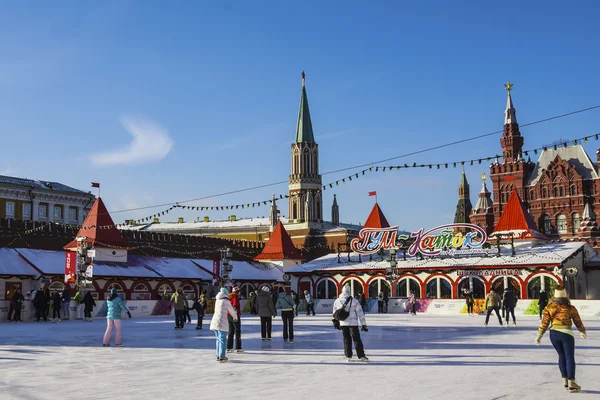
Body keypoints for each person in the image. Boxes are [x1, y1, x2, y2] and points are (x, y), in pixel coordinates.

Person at [535, 286, 586, 392]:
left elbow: (544, 323)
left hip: (553, 334)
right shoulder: (570, 308)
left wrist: (539, 336)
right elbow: (578, 321)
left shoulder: (549, 307)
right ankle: (571, 381)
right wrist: (582, 331)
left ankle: (565, 381)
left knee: (561, 356)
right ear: (565, 295)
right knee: (569, 357)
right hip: (566, 334)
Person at [333, 284, 369, 362]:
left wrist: (336, 322)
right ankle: (361, 356)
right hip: (353, 323)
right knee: (356, 339)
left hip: (343, 323)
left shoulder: (337, 301)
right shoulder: (354, 300)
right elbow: (360, 313)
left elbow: (335, 313)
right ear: (349, 291)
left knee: (346, 339)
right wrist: (363, 324)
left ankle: (348, 355)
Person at [210, 288, 238, 363]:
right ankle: (222, 356)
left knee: (218, 339)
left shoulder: (217, 300)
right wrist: (235, 317)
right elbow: (231, 311)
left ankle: (218, 355)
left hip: (215, 322)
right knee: (222, 340)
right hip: (221, 322)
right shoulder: (226, 301)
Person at [227, 286, 243, 353]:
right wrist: (235, 316)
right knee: (237, 331)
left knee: (231, 331)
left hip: (229, 315)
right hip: (234, 315)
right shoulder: (235, 297)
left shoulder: (229, 297)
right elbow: (235, 306)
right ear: (237, 291)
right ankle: (238, 347)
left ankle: (229, 347)